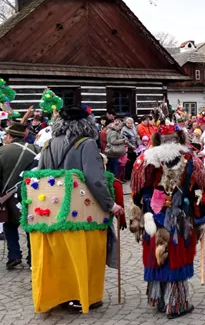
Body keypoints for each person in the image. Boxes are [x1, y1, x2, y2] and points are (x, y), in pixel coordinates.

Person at [36, 105, 124, 313]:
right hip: (83, 214)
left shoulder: (48, 145)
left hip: (54, 214)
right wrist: (111, 205)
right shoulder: (87, 144)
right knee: (86, 256)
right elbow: (95, 180)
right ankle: (82, 297)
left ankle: (61, 296)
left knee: (61, 257)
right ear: (86, 123)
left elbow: (41, 177)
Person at [129, 103, 205, 319]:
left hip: (152, 217)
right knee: (174, 253)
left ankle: (158, 297)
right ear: (181, 138)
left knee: (157, 252)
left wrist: (141, 212)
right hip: (178, 218)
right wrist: (202, 218)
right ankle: (176, 303)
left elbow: (136, 194)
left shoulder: (143, 160)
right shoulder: (190, 160)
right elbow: (199, 191)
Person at [0, 122, 39, 269]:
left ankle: (14, 255)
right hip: (31, 194)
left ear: (10, 136)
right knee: (30, 226)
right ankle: (32, 258)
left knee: (10, 225)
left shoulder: (2, 151)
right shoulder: (36, 149)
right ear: (25, 135)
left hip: (8, 196)